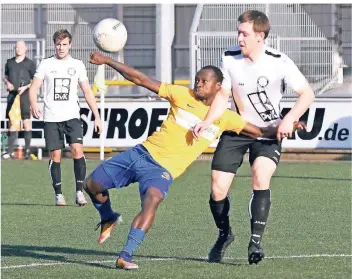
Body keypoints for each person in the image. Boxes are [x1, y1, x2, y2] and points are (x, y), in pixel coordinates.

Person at [83, 51, 305, 270]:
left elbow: (259, 131)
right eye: (197, 80)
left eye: (204, 81)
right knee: (91, 185)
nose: (198, 84)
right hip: (140, 152)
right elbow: (140, 79)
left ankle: (125, 254)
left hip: (162, 170)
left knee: (151, 201)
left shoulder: (225, 117)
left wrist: (289, 123)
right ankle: (108, 217)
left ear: (218, 86)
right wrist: (108, 61)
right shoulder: (181, 94)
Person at [192, 10, 315, 265]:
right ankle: (224, 235)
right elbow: (223, 97)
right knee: (217, 189)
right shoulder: (229, 58)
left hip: (268, 131)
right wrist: (206, 121)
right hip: (237, 129)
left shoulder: (278, 61)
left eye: (244, 33)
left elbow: (307, 94)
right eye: (238, 32)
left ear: (260, 35)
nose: (239, 37)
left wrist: (290, 118)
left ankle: (255, 242)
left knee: (260, 177)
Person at [29, 29, 102, 206]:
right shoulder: (46, 64)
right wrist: (33, 104)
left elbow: (87, 91)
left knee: (77, 150)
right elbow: (34, 88)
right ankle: (59, 194)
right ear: (55, 45)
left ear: (70, 45)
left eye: (64, 44)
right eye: (58, 44)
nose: (61, 47)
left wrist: (97, 116)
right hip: (52, 118)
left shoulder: (77, 65)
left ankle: (79, 192)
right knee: (55, 155)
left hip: (72, 116)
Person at [2, 41, 36, 160]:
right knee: (12, 122)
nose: (19, 49)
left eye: (21, 47)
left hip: (25, 96)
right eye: (17, 47)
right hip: (12, 96)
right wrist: (8, 83)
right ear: (14, 48)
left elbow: (35, 80)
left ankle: (27, 152)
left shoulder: (30, 63)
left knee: (26, 122)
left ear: (25, 48)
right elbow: (5, 77)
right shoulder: (9, 62)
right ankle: (9, 152)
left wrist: (26, 87)